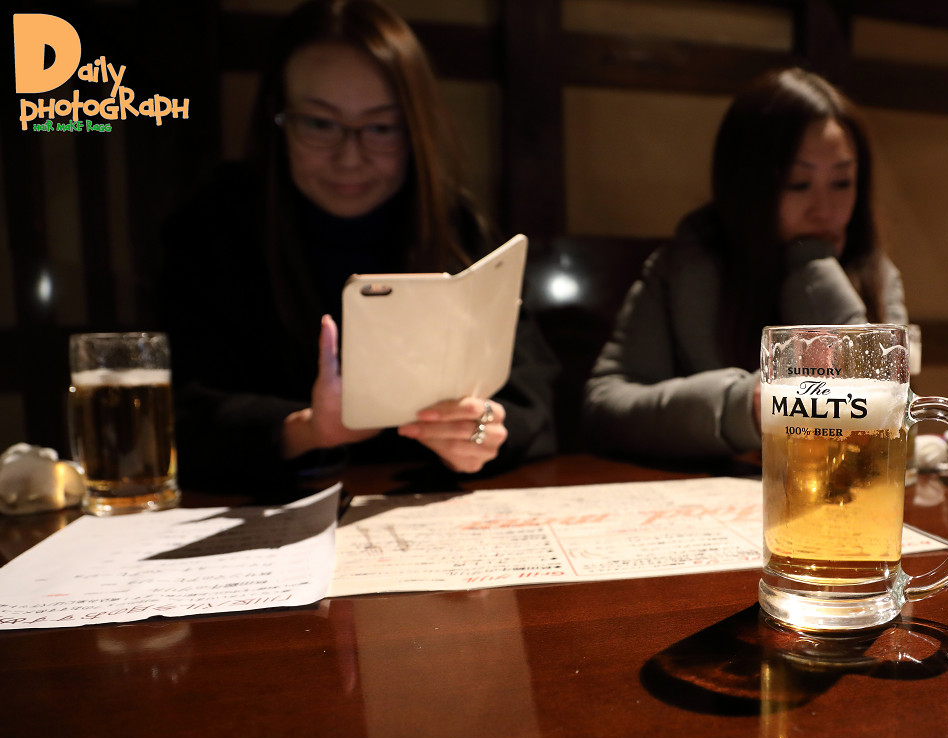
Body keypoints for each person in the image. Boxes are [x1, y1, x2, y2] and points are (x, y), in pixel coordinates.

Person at [159, 0, 556, 492]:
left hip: (424, 507)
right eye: (320, 124)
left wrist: (481, 431)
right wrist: (307, 429)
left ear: (415, 132)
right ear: (278, 121)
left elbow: (531, 399)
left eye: (382, 128)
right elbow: (179, 413)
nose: (350, 158)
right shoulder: (214, 227)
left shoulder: (456, 227)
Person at [581, 67, 907, 460]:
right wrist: (745, 407)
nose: (825, 209)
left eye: (842, 182)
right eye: (798, 184)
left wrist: (813, 267)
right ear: (748, 185)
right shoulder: (687, 267)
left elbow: (889, 413)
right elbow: (605, 407)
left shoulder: (876, 273)